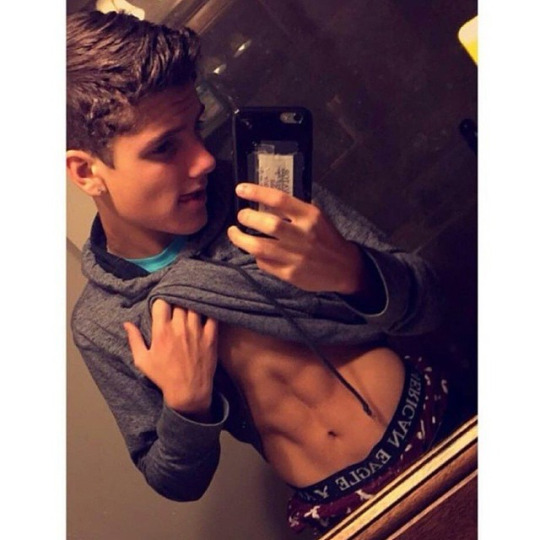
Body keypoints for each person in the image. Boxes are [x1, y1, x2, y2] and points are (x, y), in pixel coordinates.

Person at [67, 10, 448, 534]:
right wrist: (186, 407)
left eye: (196, 127)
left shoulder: (261, 194)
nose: (203, 159)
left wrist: (354, 271)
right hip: (335, 503)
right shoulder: (105, 320)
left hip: (436, 419)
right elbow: (175, 481)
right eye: (165, 146)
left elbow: (430, 304)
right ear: (86, 171)